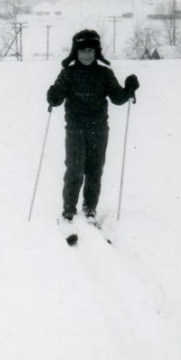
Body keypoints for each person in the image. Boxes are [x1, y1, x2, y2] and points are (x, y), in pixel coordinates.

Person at [46, 29, 139, 222]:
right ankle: (69, 208)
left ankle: (90, 207)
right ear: (75, 52)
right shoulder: (68, 73)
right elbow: (57, 99)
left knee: (95, 170)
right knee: (74, 169)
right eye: (82, 51)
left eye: (90, 51)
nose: (86, 55)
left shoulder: (104, 73)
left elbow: (117, 98)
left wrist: (128, 89)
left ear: (96, 52)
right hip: (75, 129)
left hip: (98, 129)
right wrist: (53, 95)